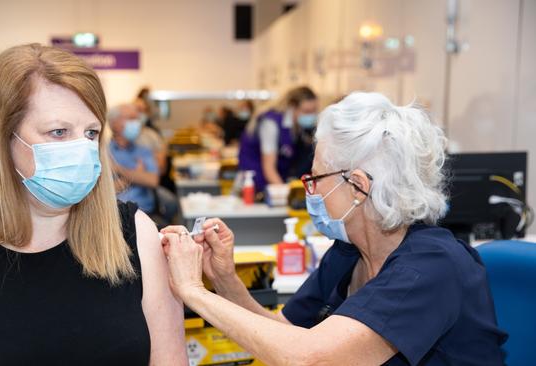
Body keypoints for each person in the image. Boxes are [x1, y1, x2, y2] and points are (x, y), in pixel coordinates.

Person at [0, 44, 186, 365]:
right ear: (1, 138)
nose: (80, 149)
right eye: (58, 132)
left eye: (90, 132)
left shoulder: (134, 234)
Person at [160, 92, 507, 365]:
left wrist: (193, 291)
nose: (310, 190)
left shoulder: (432, 267)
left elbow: (311, 359)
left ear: (356, 186)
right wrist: (223, 280)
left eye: (315, 178)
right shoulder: (348, 253)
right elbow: (286, 337)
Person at [238, 86, 318, 195]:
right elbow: (269, 168)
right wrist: (288, 194)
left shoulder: (296, 127)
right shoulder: (270, 123)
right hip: (255, 184)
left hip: (275, 184)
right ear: (292, 107)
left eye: (314, 111)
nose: (311, 115)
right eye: (307, 111)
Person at [108, 103, 163, 223]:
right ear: (114, 123)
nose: (137, 123)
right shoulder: (103, 152)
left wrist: (117, 169)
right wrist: (137, 175)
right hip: (114, 217)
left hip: (146, 214)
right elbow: (105, 191)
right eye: (131, 118)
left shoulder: (143, 150)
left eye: (137, 119)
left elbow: (152, 180)